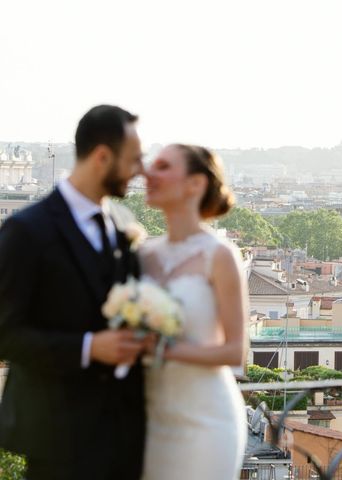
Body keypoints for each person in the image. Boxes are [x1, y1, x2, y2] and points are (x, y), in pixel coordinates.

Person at [0, 105, 147, 480]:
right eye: (134, 160)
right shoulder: (26, 231)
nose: (139, 171)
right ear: (102, 156)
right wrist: (88, 347)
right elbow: (6, 335)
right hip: (56, 441)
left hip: (122, 437)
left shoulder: (122, 226)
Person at [140, 144, 248, 480]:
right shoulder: (143, 254)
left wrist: (163, 349)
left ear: (195, 184)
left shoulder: (220, 255)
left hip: (206, 420)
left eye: (163, 166)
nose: (148, 173)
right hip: (150, 420)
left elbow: (236, 351)